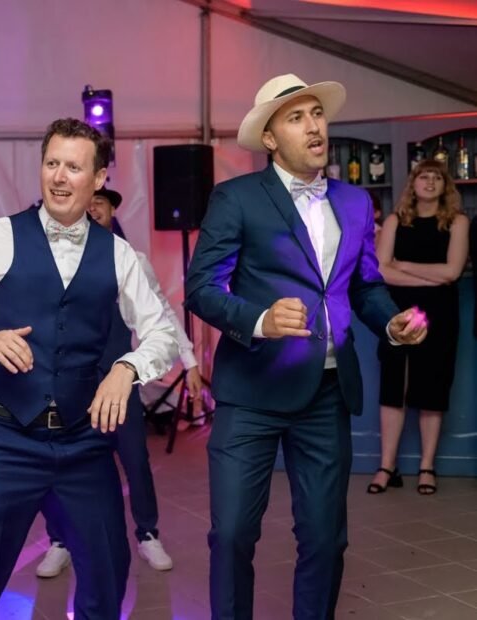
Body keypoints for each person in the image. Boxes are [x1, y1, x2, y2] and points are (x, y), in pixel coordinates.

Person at [184, 74, 428, 619]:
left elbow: (364, 285)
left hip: (325, 393)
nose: (314, 125)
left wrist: (391, 325)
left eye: (317, 113)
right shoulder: (237, 197)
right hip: (250, 394)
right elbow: (200, 288)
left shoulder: (355, 201)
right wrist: (260, 319)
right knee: (232, 535)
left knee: (325, 539)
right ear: (269, 138)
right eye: (296, 117)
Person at [0, 118, 179, 619]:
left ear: (98, 179)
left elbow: (164, 333)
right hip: (3, 437)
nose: (59, 177)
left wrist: (127, 368)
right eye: (52, 164)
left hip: (82, 442)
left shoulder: (120, 256)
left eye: (74, 167)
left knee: (108, 571)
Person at [34, 186, 199, 578]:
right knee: (58, 463)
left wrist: (190, 360)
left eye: (101, 203)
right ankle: (59, 541)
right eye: (87, 203)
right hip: (68, 384)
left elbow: (161, 316)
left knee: (135, 460)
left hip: (119, 380)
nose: (93, 209)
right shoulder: (58, 260)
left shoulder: (132, 260)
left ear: (112, 211)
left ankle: (147, 534)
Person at [367, 160, 468, 496]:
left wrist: (404, 266)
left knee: (432, 390)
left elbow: (452, 272)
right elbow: (381, 271)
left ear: (445, 186)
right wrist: (428, 275)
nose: (429, 182)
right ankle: (387, 466)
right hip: (396, 313)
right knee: (392, 389)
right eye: (423, 176)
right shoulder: (396, 219)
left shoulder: (457, 221)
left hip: (441, 314)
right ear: (413, 183)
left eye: (436, 177)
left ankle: (427, 467)